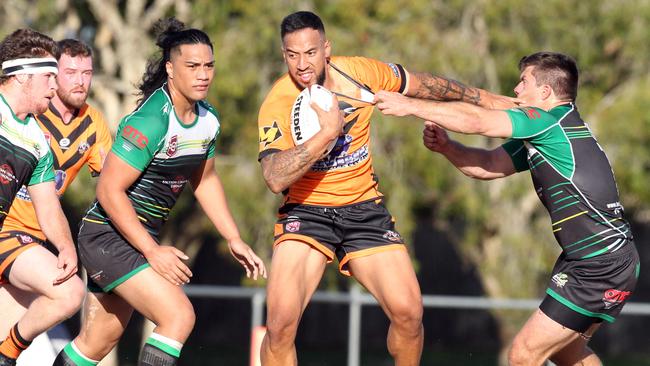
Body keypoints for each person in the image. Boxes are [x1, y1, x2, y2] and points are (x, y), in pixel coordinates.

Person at [257, 11, 516, 366]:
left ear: (326, 49)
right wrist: (327, 134)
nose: (302, 64)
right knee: (280, 325)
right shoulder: (279, 100)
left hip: (363, 209)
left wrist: (487, 99)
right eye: (292, 54)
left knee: (409, 314)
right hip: (307, 212)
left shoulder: (359, 73)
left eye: (310, 52)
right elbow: (274, 177)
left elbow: (421, 84)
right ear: (283, 54)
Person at [375, 51, 639, 366]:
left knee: (523, 355)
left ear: (545, 93)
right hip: (597, 260)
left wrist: (410, 105)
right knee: (567, 351)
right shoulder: (546, 131)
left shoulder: (548, 123)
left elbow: (477, 121)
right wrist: (448, 147)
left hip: (600, 264)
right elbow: (486, 166)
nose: (515, 90)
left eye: (523, 81)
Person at [52, 18, 267, 366]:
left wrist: (234, 237)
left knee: (97, 341)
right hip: (107, 236)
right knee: (179, 316)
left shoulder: (208, 120)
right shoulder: (152, 120)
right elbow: (108, 191)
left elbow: (206, 179)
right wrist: (152, 251)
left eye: (209, 65)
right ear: (170, 68)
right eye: (192, 66)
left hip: (132, 239)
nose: (203, 74)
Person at [0, 38, 113, 352]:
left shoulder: (37, 141)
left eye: (86, 72)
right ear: (23, 76)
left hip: (25, 244)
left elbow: (50, 206)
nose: (61, 83)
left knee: (67, 295)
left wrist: (67, 246)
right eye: (55, 75)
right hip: (10, 235)